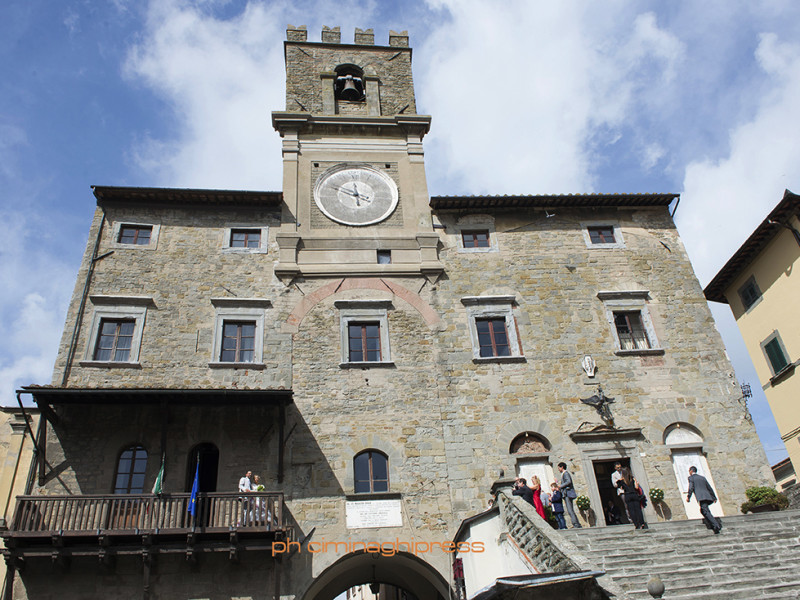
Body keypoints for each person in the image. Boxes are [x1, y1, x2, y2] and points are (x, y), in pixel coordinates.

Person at [687, 466, 722, 534]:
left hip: (701, 497)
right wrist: (713, 497)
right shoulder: (702, 478)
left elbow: (691, 487)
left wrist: (688, 496)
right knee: (703, 511)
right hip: (707, 496)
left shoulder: (691, 478)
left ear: (691, 471)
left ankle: (716, 525)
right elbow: (709, 487)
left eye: (689, 471)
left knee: (706, 511)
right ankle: (711, 524)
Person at [557, 462, 582, 528]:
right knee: (570, 510)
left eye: (559, 468)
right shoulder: (563, 474)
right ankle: (576, 523)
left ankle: (576, 524)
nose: (558, 469)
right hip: (566, 493)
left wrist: (560, 486)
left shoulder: (566, 473)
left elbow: (568, 481)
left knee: (570, 510)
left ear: (562, 467)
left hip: (567, 493)